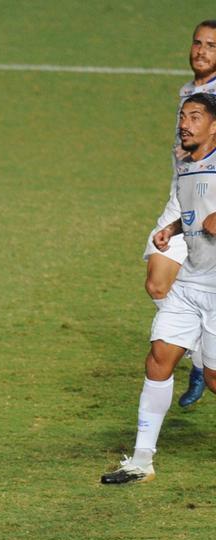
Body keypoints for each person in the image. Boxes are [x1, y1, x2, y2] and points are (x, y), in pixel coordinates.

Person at [101, 93, 216, 485]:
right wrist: (170, 230)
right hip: (191, 282)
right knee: (158, 358)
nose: (184, 123)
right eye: (183, 116)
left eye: (195, 117)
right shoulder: (186, 165)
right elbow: (192, 215)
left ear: (214, 126)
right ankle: (141, 460)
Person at [141, 20, 216, 410]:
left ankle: (204, 355)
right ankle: (197, 355)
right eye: (197, 43)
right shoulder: (189, 91)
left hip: (210, 203)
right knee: (157, 283)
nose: (201, 51)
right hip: (181, 199)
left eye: (211, 46)